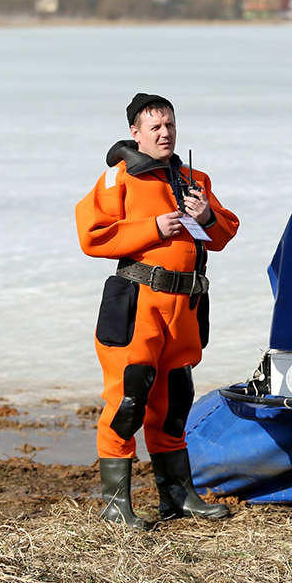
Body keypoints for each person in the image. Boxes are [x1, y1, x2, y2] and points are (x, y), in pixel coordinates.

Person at [75, 93, 239, 529]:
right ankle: (116, 505)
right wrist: (152, 228)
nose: (165, 133)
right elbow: (91, 234)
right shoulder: (118, 178)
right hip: (138, 303)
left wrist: (206, 215)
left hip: (185, 307)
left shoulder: (194, 178)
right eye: (155, 127)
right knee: (128, 401)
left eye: (170, 125)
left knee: (175, 402)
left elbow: (225, 233)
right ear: (136, 133)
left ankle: (177, 497)